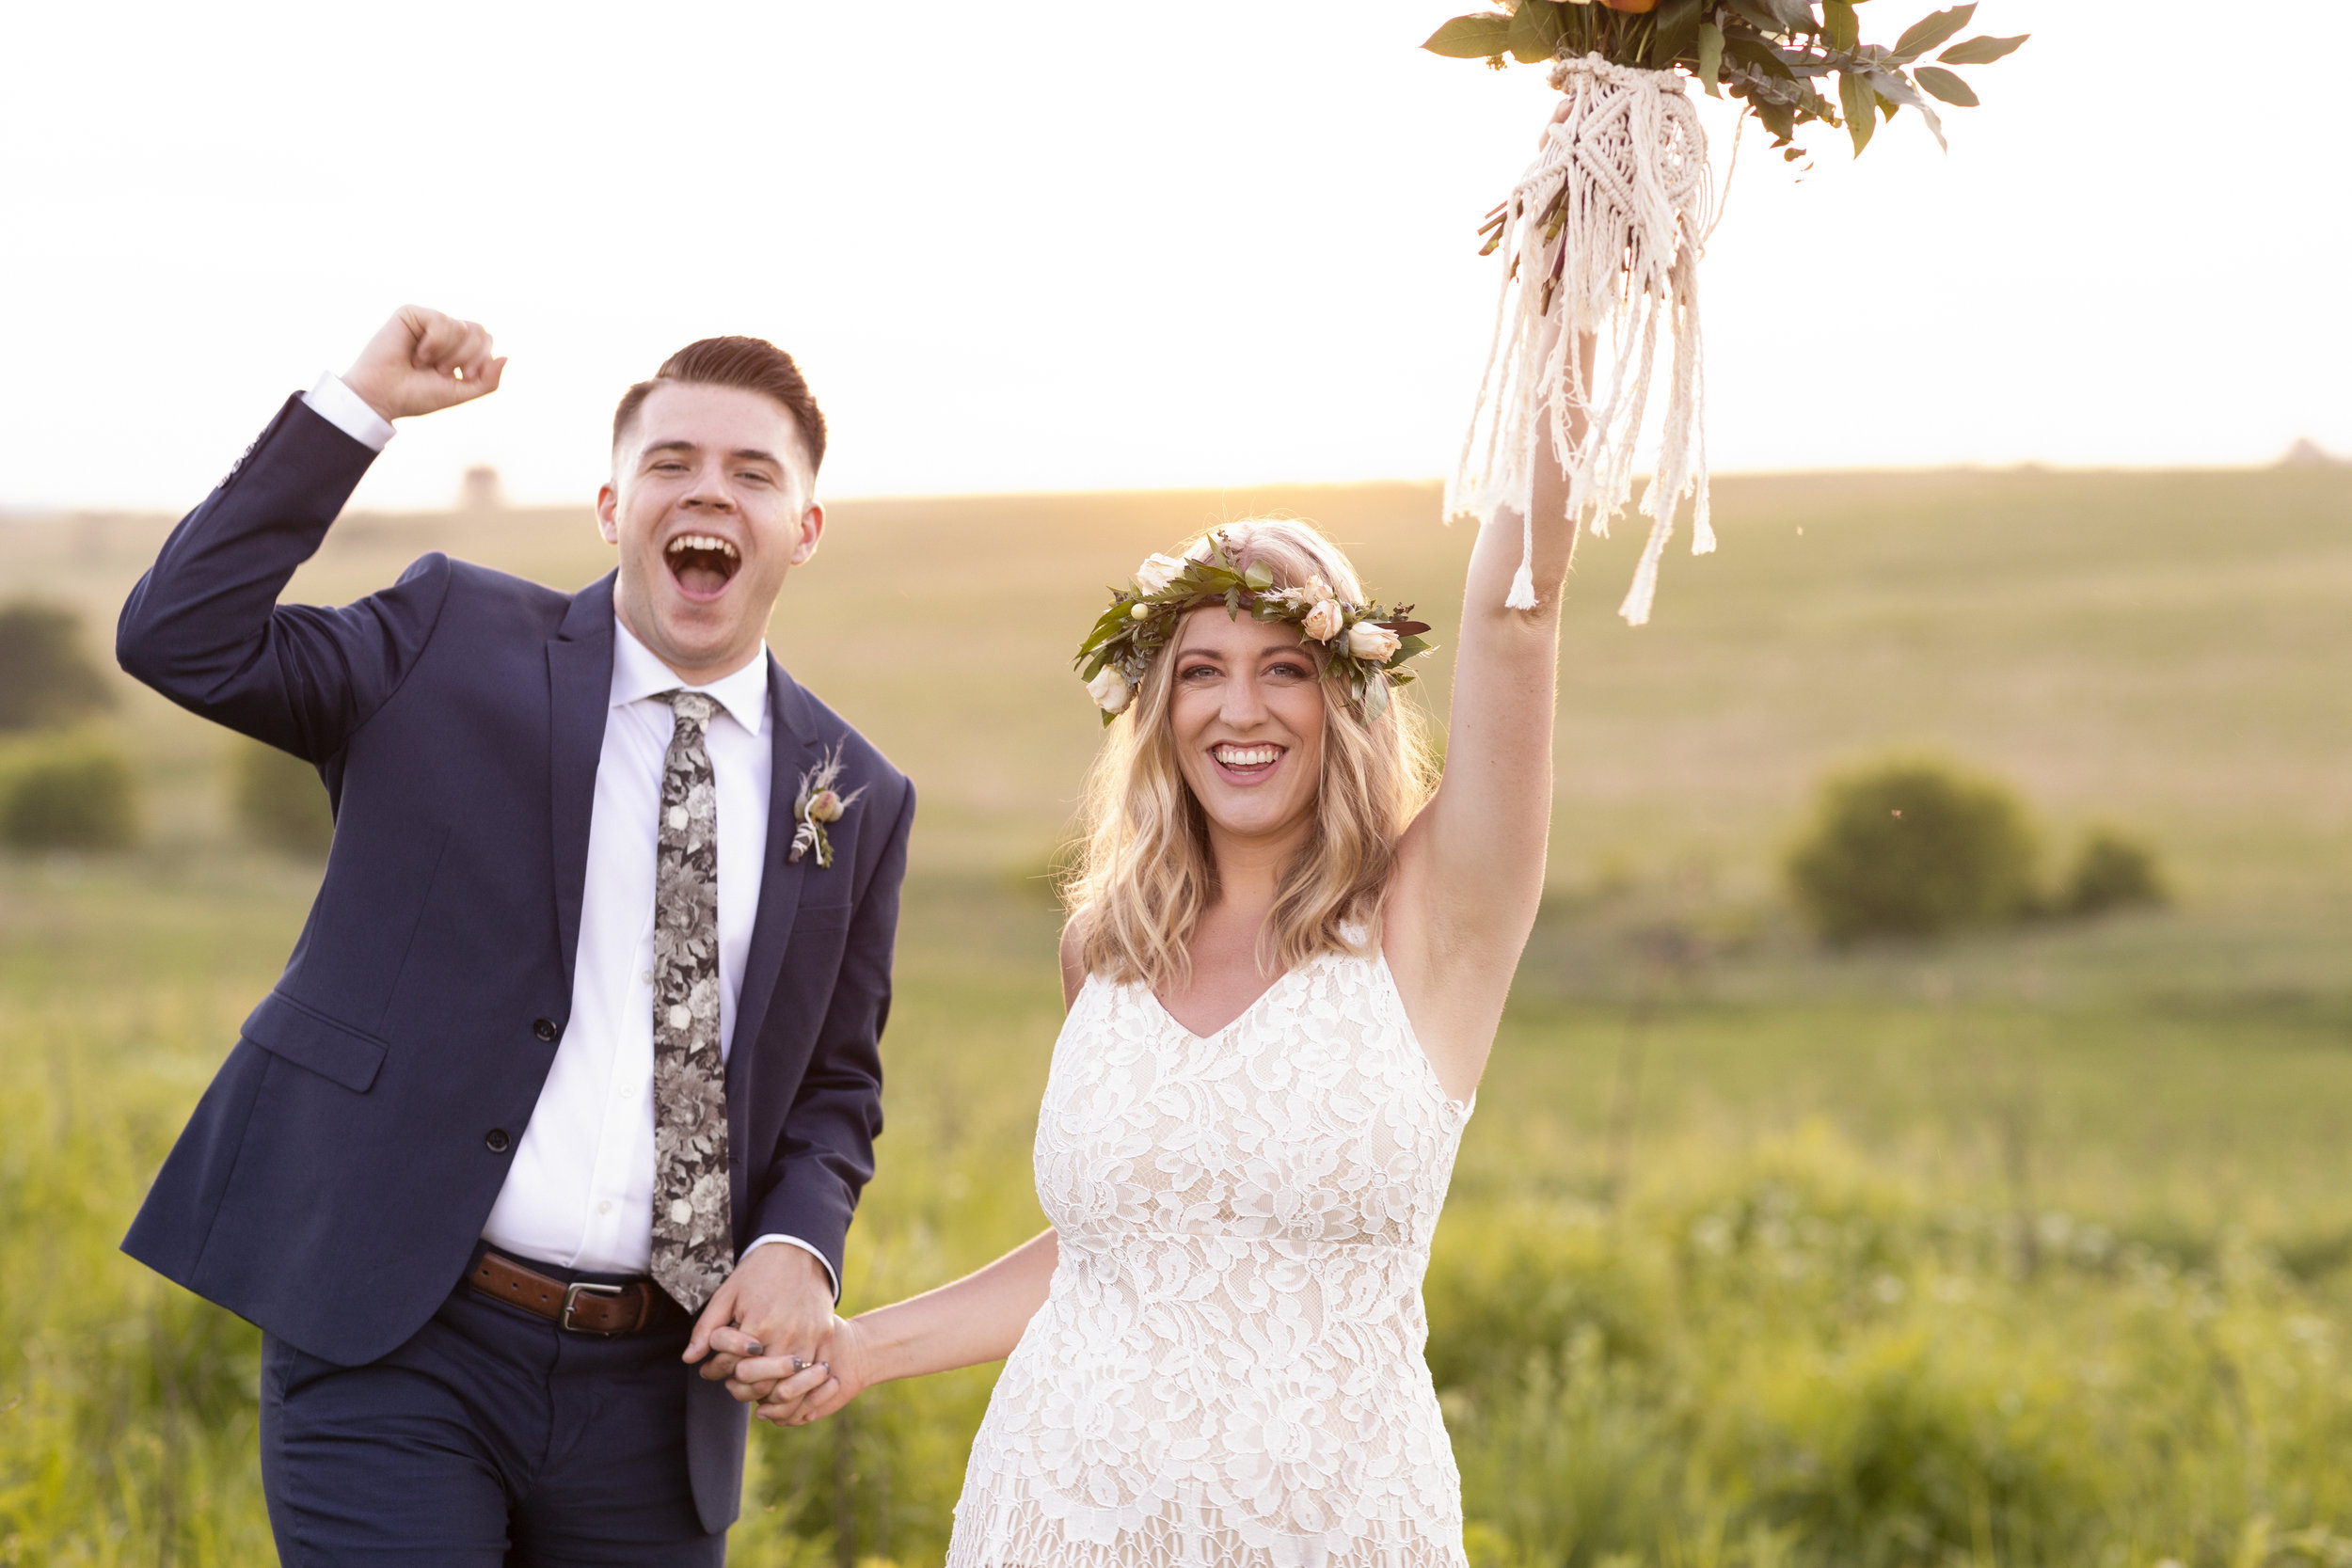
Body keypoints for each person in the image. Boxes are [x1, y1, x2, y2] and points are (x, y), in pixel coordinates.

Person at [726, 372, 1580, 1563]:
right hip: (1056, 1514)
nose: (1241, 708)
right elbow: (1119, 1246)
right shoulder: (1106, 949)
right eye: (1200, 668)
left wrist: (1571, 318)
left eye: (1284, 665)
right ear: (1155, 704)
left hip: (1332, 1530)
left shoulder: (1435, 920)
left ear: (1347, 693)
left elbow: (1516, 616)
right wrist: (866, 1347)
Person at [114, 305, 914, 1564]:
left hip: (657, 1393)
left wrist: (795, 1243)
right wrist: (355, 404)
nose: (709, 491)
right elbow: (181, 636)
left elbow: (834, 1084)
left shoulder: (855, 788)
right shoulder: (448, 637)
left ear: (803, 528)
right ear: (612, 507)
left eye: (753, 473)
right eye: (671, 463)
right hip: (399, 1338)